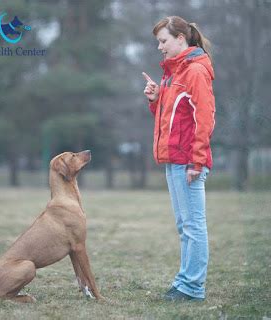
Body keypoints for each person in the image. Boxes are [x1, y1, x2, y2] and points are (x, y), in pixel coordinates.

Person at [142, 16, 215, 301]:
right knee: (184, 227)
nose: (159, 47)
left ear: (181, 39)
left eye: (163, 41)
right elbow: (173, 118)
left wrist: (197, 161)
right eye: (158, 42)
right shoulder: (173, 73)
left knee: (194, 227)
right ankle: (185, 283)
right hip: (175, 159)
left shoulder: (195, 71)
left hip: (188, 162)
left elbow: (204, 118)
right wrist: (155, 99)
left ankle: (192, 287)